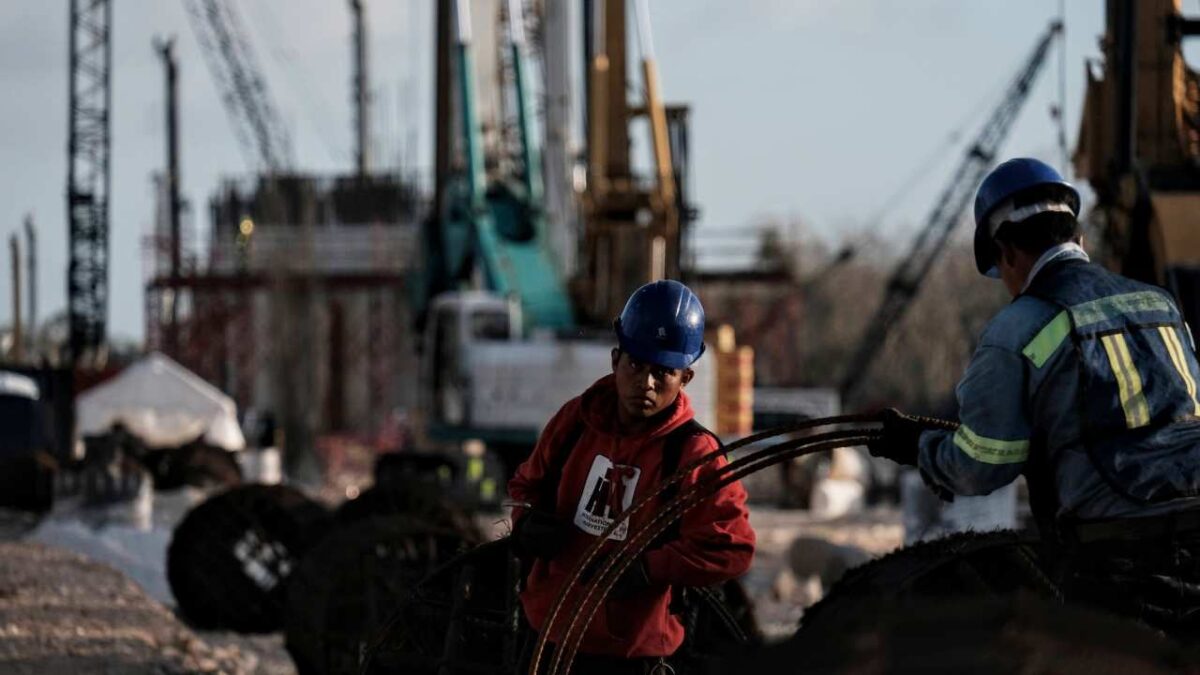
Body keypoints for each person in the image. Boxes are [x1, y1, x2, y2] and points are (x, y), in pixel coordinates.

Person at [868, 157, 1200, 636]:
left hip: (1118, 555)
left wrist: (919, 448)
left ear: (1005, 252)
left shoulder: (1015, 329)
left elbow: (985, 461)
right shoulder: (1160, 304)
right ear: (1077, 239)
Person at [508, 279, 756, 674]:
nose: (647, 383)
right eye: (636, 365)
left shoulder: (694, 454)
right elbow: (524, 487)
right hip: (546, 641)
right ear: (615, 359)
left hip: (631, 658)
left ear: (685, 378)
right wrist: (525, 522)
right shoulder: (576, 421)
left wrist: (648, 568)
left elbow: (732, 549)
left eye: (664, 373)